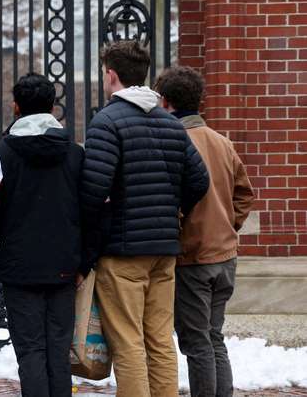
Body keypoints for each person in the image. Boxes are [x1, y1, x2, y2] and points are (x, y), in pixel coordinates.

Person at [80, 41, 210, 397]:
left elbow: (93, 190)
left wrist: (91, 241)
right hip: (164, 249)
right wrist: (172, 210)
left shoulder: (107, 122)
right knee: (160, 339)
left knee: (128, 342)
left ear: (111, 75)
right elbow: (199, 181)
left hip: (122, 251)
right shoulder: (170, 123)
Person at [0, 73, 84, 397]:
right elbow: (91, 209)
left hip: (19, 266)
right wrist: (84, 261)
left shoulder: (0, 153)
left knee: (30, 351)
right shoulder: (75, 153)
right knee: (58, 351)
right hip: (64, 266)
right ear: (52, 107)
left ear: (15, 107)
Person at [154, 66, 255, 397]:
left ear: (165, 101)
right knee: (213, 337)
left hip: (193, 257)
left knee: (197, 342)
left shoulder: (175, 141)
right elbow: (245, 194)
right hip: (224, 255)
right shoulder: (222, 142)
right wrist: (229, 225)